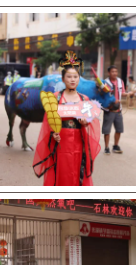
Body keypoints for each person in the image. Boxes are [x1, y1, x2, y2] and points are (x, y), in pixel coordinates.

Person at [33, 51, 101, 185]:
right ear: (63, 79)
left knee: (77, 168)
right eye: (69, 76)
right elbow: (48, 122)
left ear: (79, 78)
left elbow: (90, 122)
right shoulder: (55, 98)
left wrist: (85, 123)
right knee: (61, 169)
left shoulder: (84, 99)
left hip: (78, 140)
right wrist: (53, 134)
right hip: (60, 140)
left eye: (75, 76)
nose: (72, 79)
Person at [102, 65, 125, 154]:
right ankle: (106, 147)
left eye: (116, 71)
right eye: (113, 71)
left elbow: (122, 93)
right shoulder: (105, 83)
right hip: (109, 110)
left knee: (119, 129)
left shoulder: (120, 81)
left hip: (118, 110)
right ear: (109, 73)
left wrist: (128, 94)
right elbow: (103, 95)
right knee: (107, 130)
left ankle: (115, 146)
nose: (115, 73)